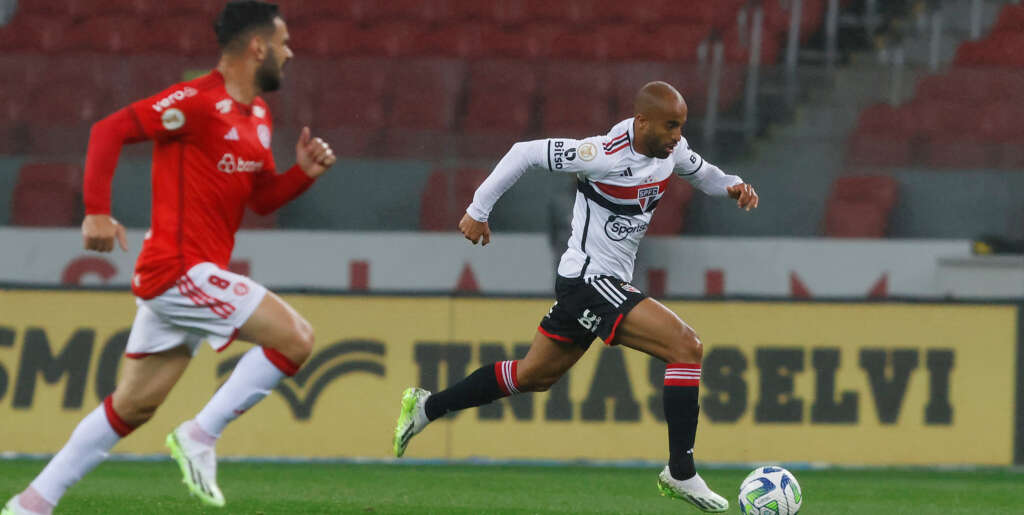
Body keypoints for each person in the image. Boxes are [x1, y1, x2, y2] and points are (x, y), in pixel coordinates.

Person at [2, 2, 336, 513]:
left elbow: (262, 199)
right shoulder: (196, 101)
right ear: (257, 47)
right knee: (297, 338)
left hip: (191, 277)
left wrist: (302, 174)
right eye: (284, 43)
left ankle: (32, 503)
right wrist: (95, 212)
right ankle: (201, 434)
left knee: (132, 406)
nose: (290, 54)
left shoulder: (260, 117)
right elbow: (109, 130)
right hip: (178, 270)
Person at [394, 81, 758, 513]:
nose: (679, 135)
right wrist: (478, 209)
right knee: (686, 347)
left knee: (533, 376)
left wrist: (733, 185)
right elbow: (524, 152)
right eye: (671, 125)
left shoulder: (670, 150)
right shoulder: (600, 154)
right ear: (643, 122)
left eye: (681, 126)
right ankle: (680, 472)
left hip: (599, 284)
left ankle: (427, 406)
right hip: (590, 280)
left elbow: (703, 173)